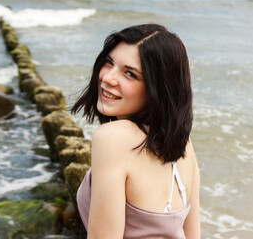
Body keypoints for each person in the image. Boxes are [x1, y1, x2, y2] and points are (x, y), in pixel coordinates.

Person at [71, 24, 200, 239]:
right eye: (109, 63)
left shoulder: (112, 138)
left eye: (130, 74)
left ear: (157, 89)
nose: (108, 78)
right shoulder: (183, 145)